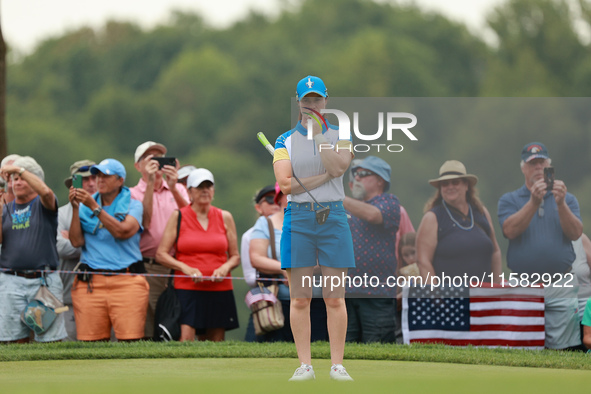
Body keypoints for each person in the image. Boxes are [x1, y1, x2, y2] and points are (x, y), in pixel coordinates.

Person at [273, 75, 355, 381]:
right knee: (300, 298)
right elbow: (285, 185)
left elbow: (338, 166)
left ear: (326, 101)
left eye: (317, 100)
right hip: (299, 218)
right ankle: (305, 365)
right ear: (298, 103)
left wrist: (320, 138)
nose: (312, 105)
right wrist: (323, 178)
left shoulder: (341, 135)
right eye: (306, 100)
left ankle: (337, 365)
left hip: (333, 217)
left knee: (335, 297)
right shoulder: (285, 141)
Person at [498, 142, 583, 350]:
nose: (537, 167)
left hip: (560, 282)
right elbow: (509, 231)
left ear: (549, 166)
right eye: (532, 163)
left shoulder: (567, 198)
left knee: (565, 349)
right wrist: (533, 203)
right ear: (523, 168)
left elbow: (575, 233)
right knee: (522, 346)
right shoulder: (509, 200)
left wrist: (561, 203)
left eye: (541, 162)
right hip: (524, 283)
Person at [68, 158, 148, 341]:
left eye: (106, 176)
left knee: (131, 341)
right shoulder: (85, 207)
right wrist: (75, 209)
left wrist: (94, 208)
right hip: (91, 283)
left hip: (127, 281)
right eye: (98, 175)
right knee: (91, 344)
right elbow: (76, 241)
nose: (99, 180)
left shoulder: (133, 205)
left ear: (120, 180)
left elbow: (122, 231)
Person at [156, 168, 240, 342]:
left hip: (219, 288)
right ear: (189, 192)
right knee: (185, 338)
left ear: (214, 191)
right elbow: (161, 254)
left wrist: (224, 267)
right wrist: (185, 268)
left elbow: (235, 256)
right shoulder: (178, 216)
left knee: (216, 341)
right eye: (200, 187)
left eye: (208, 186)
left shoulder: (225, 217)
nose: (205, 191)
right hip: (187, 288)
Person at [0, 156, 67, 343]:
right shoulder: (6, 208)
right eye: (14, 179)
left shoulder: (44, 203)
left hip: (43, 282)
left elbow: (46, 193)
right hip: (10, 281)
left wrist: (18, 169)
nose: (17, 182)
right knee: (12, 340)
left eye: (22, 178)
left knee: (49, 339)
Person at [130, 141, 189, 339]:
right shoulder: (131, 194)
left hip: (178, 265)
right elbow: (144, 222)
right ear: (138, 166)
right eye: (150, 158)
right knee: (149, 321)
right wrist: (149, 184)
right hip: (149, 266)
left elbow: (190, 219)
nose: (156, 162)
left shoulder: (178, 189)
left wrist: (173, 187)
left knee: (176, 320)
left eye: (160, 158)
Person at [344, 156, 401, 344]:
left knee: (378, 352)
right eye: (355, 174)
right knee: (346, 352)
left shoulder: (390, 202)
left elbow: (373, 215)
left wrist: (336, 196)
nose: (356, 178)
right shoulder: (348, 208)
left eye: (363, 174)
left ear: (380, 180)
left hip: (377, 293)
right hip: (346, 292)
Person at [417, 160, 502, 281]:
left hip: (484, 295)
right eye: (445, 184)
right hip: (451, 296)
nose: (450, 187)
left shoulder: (481, 212)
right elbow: (423, 261)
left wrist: (497, 289)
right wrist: (435, 297)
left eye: (455, 182)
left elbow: (495, 251)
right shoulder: (432, 218)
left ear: (466, 185)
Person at [56, 159, 97, 341]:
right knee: (70, 344)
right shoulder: (60, 214)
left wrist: (75, 239)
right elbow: (61, 248)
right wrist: (98, 244)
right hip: (68, 297)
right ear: (73, 184)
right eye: (83, 180)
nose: (90, 183)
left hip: (102, 292)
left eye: (94, 178)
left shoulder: (108, 211)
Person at [241, 184, 280, 342]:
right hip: (267, 300)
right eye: (270, 200)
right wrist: (280, 273)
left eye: (278, 198)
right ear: (258, 207)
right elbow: (250, 277)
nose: (275, 203)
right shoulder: (249, 236)